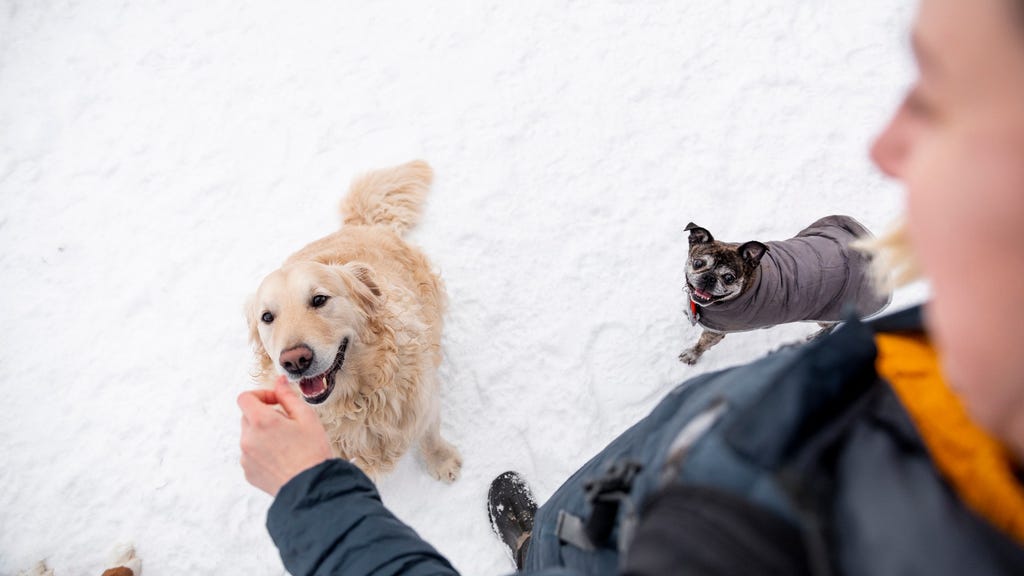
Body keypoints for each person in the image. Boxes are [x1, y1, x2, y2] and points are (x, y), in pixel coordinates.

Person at [237, 0, 1024, 573]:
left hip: (630, 530)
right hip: (623, 500)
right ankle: (541, 542)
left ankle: (543, 550)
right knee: (565, 532)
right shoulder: (950, 344)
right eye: (271, 321)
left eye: (933, 95)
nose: (883, 149)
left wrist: (314, 496)